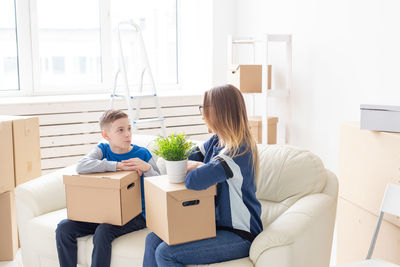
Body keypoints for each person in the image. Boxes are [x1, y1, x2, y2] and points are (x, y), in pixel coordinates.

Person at [143, 84, 263, 267]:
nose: (202, 114)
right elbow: (183, 160)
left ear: (219, 112)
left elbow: (194, 181)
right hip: (212, 226)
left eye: (205, 109)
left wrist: (199, 167)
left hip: (240, 234)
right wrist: (200, 165)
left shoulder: (238, 151)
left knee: (166, 254)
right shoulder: (216, 141)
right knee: (153, 239)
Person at [56, 109, 160, 267]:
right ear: (106, 135)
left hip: (137, 215)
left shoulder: (142, 154)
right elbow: (81, 165)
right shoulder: (102, 150)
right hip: (104, 213)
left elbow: (159, 186)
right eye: (120, 130)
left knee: (103, 231)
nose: (127, 134)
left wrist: (147, 168)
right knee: (64, 228)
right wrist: (117, 165)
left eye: (129, 128)